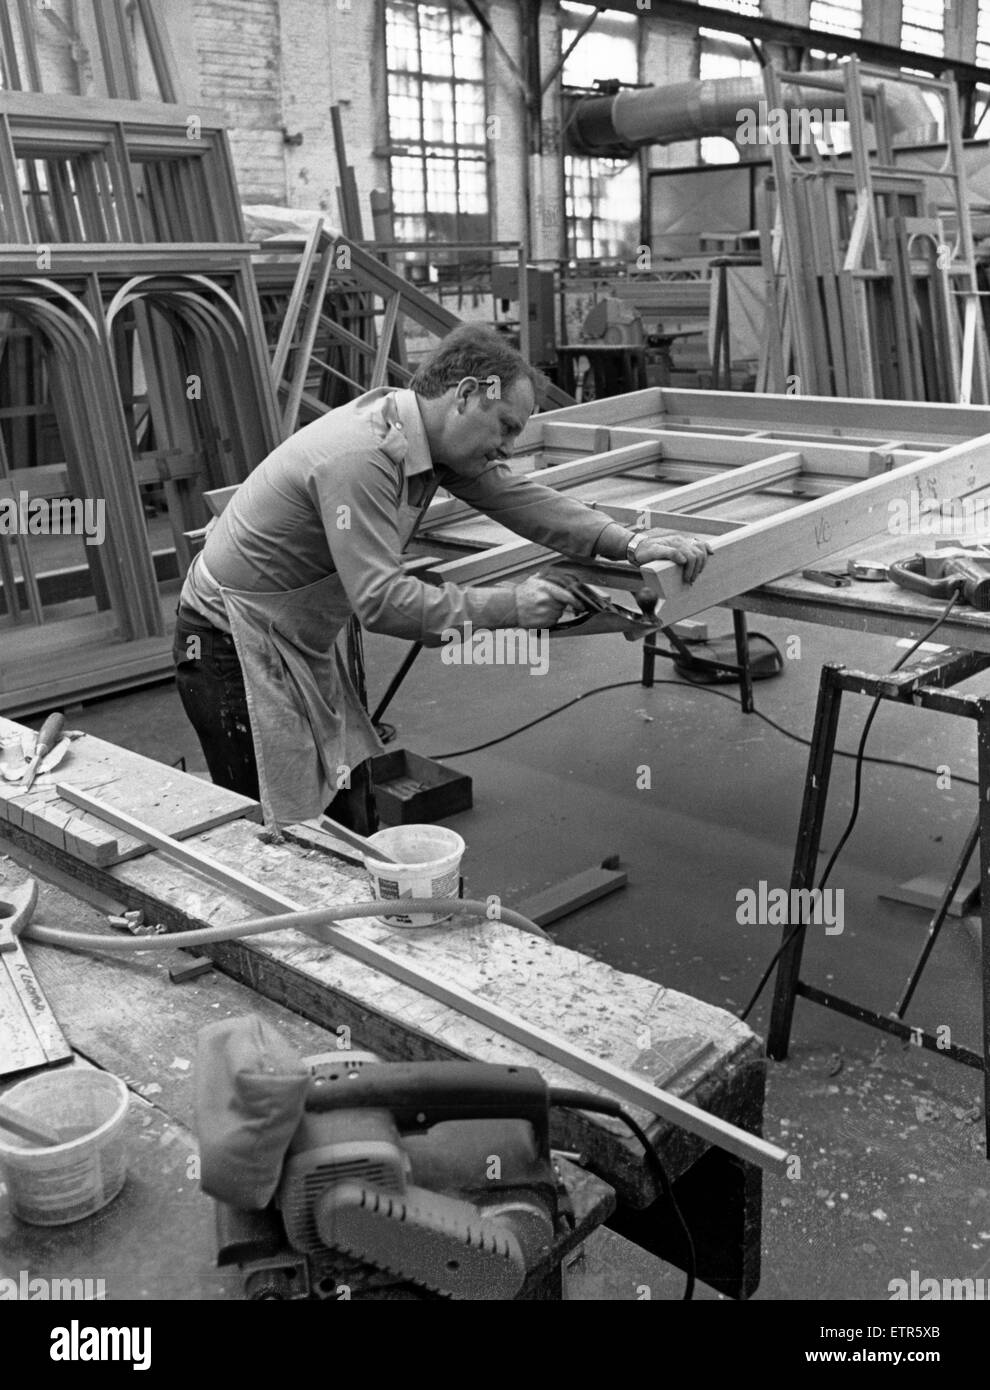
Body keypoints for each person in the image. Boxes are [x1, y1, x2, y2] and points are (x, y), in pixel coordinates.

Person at [173, 324, 710, 831]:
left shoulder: (422, 436)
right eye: (506, 426)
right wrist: (513, 607)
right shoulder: (362, 455)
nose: (508, 447)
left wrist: (631, 543)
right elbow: (382, 603)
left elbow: (519, 498)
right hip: (230, 645)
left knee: (344, 809)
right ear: (467, 394)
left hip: (291, 638)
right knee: (277, 838)